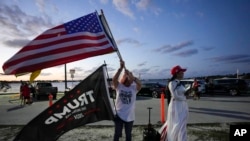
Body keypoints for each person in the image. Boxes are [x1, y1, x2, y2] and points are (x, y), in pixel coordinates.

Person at [112, 60, 142, 141]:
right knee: (117, 134)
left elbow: (140, 84)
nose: (128, 78)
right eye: (126, 76)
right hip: (118, 114)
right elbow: (114, 80)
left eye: (129, 77)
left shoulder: (134, 88)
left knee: (128, 135)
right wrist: (120, 69)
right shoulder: (119, 86)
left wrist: (133, 77)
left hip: (130, 116)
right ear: (123, 77)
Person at [166, 65, 189, 141]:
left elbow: (182, 94)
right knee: (178, 124)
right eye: (181, 72)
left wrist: (189, 92)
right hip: (176, 106)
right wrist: (184, 97)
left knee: (182, 124)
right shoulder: (172, 83)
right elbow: (175, 96)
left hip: (182, 105)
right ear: (176, 73)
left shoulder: (179, 83)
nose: (183, 74)